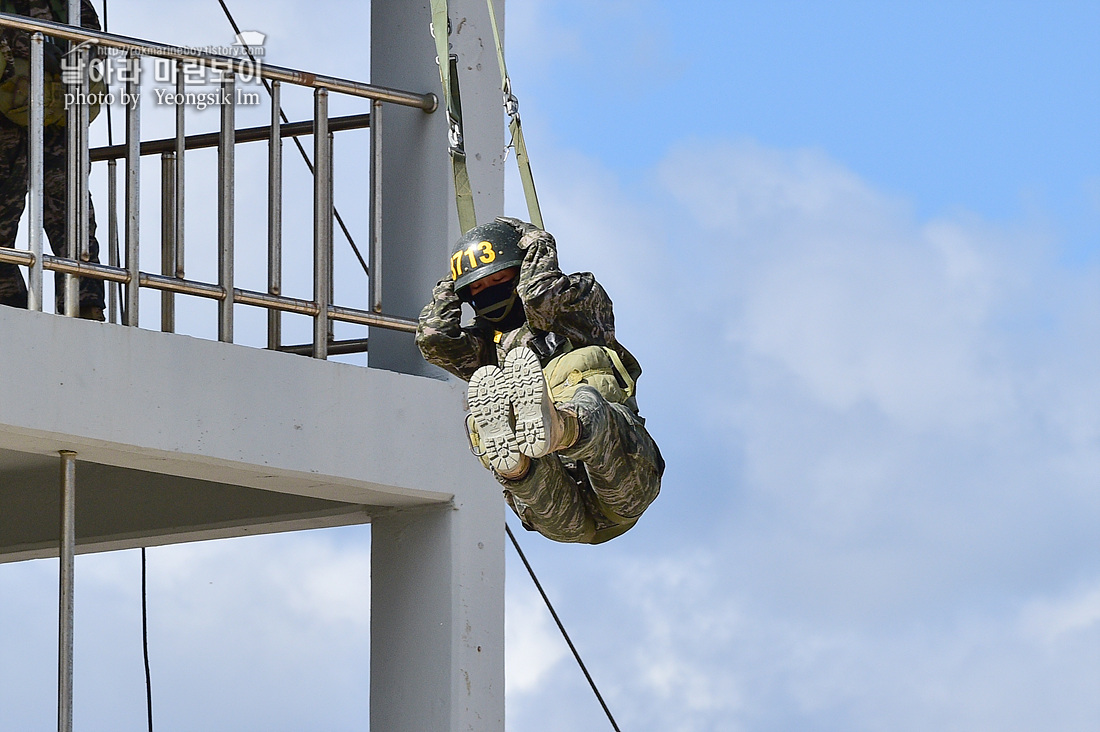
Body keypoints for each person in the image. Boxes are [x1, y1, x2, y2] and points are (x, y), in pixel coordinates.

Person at [416, 217, 663, 544]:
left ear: (521, 272)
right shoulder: (487, 347)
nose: (488, 291)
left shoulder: (579, 311)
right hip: (559, 513)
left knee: (589, 399)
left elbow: (539, 296)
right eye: (476, 288)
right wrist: (455, 279)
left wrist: (536, 242)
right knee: (493, 418)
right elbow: (434, 338)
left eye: (500, 278)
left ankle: (560, 426)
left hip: (624, 481)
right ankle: (516, 466)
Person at [0, 0, 106, 320]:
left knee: (73, 221)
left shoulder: (71, 4)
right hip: (8, 121)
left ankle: (84, 305)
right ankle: (11, 305)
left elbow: (91, 49)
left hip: (57, 118)